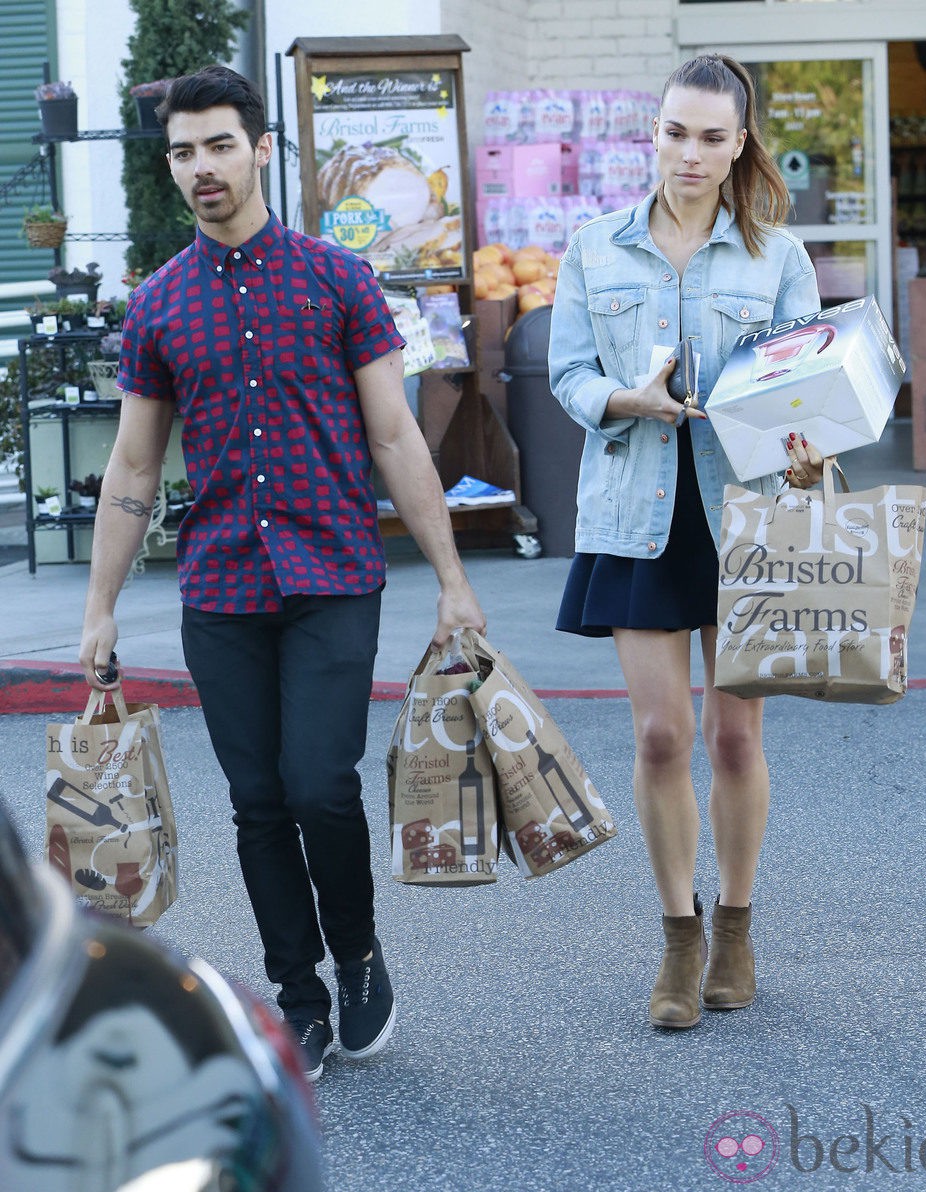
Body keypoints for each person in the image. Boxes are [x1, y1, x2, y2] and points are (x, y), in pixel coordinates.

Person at [78, 64, 485, 1078]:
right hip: (218, 587)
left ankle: (355, 954)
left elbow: (395, 437)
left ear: (261, 150)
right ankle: (296, 991)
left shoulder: (338, 280)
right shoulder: (158, 306)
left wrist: (452, 577)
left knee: (319, 786)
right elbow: (133, 466)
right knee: (256, 802)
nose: (202, 166)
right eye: (183, 151)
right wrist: (99, 609)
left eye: (219, 144)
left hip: (332, 573)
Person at [548, 54, 824, 1030]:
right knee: (660, 735)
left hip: (743, 515)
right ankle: (678, 934)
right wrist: (625, 399)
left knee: (732, 735)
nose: (691, 153)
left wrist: (804, 447)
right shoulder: (594, 246)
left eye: (712, 136)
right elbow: (568, 373)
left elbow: (805, 395)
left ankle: (737, 923)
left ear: (739, 141)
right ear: (651, 133)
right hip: (634, 515)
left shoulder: (775, 257)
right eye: (675, 132)